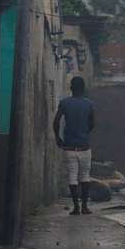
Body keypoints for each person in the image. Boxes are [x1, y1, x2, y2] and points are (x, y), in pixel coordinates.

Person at [53, 76, 95, 216]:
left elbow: (56, 122)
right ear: (83, 89)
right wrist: (84, 133)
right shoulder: (89, 104)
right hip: (84, 146)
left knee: (72, 176)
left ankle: (76, 207)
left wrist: (58, 138)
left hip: (69, 147)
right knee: (85, 176)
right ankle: (84, 207)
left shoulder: (64, 103)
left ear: (71, 88)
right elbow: (92, 124)